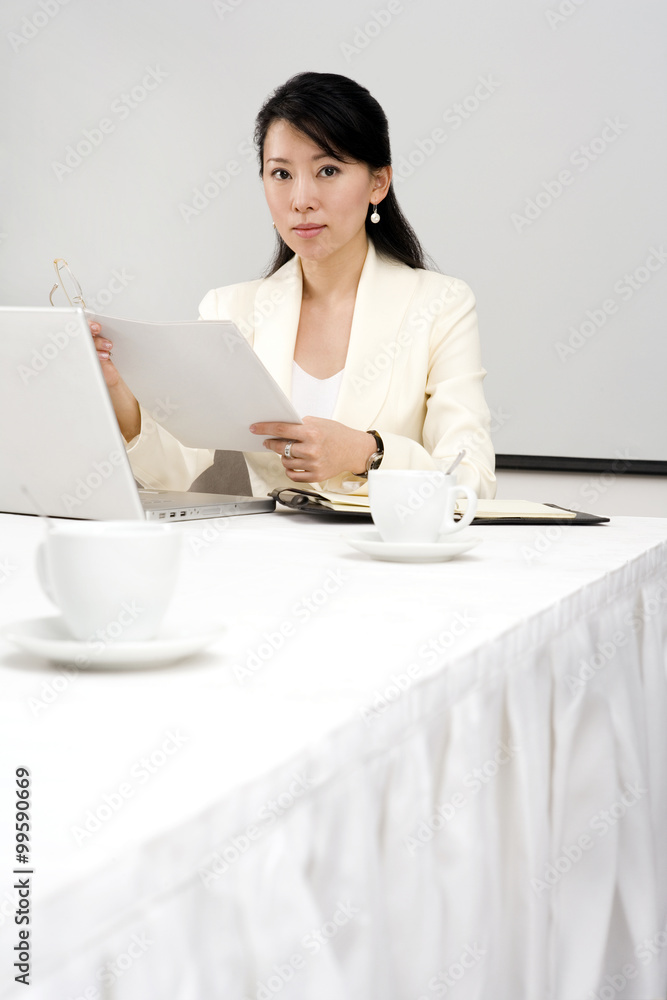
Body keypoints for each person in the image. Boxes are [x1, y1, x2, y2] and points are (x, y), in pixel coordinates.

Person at [91, 72, 496, 499]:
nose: (301, 199)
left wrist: (367, 453)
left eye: (327, 170)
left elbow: (472, 481)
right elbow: (173, 471)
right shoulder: (230, 311)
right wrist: (119, 392)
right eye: (281, 174)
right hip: (271, 560)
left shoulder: (440, 305)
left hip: (386, 558)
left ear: (378, 182)